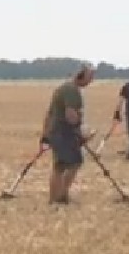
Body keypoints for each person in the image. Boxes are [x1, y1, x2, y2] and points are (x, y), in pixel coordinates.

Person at [40, 63, 95, 205]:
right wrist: (81, 132)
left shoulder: (63, 88)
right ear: (81, 76)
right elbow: (71, 115)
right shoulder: (72, 91)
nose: (91, 81)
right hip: (64, 134)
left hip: (56, 132)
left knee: (61, 165)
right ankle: (60, 196)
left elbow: (49, 114)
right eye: (90, 77)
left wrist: (45, 134)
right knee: (72, 163)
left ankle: (56, 197)